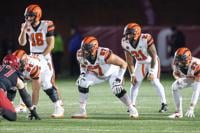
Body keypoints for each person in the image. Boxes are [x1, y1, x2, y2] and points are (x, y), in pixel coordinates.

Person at [71, 36, 138, 119]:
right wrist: (82, 74)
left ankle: (132, 108)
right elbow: (83, 64)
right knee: (82, 83)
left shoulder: (104, 54)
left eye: (87, 49)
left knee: (116, 89)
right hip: (96, 74)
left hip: (112, 72)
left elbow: (123, 64)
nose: (84, 52)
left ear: (95, 47)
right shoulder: (80, 54)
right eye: (83, 49)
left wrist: (119, 79)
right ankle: (82, 110)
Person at [17, 4, 63, 108]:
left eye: (31, 16)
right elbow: (22, 43)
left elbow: (51, 45)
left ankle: (59, 103)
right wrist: (23, 30)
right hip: (32, 56)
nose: (28, 18)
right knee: (22, 78)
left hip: (44, 56)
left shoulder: (47, 24)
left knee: (49, 82)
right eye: (27, 16)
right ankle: (22, 105)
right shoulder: (25, 25)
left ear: (38, 15)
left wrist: (42, 56)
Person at [121, 22, 168, 113]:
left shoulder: (146, 38)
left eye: (129, 34)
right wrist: (132, 74)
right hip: (140, 63)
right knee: (134, 83)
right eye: (126, 34)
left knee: (155, 81)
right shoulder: (125, 42)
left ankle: (164, 104)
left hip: (151, 61)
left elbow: (154, 56)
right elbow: (129, 61)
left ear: (136, 33)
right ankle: (132, 105)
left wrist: (151, 71)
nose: (127, 36)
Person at [13, 49, 64, 118]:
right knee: (19, 84)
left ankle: (59, 107)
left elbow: (36, 90)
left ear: (25, 61)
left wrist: (33, 109)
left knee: (47, 86)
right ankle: (22, 105)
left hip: (44, 69)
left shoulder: (34, 66)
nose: (17, 65)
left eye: (19, 63)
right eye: (16, 63)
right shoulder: (18, 65)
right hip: (31, 67)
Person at [0, 54, 40, 121]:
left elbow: (11, 92)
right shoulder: (17, 77)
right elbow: (25, 96)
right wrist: (33, 111)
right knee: (12, 116)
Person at [168, 47, 200, 119]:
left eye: (181, 60)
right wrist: (178, 79)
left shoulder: (196, 65)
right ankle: (179, 112)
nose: (178, 63)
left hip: (198, 77)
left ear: (188, 59)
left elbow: (196, 90)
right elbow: (175, 73)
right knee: (175, 86)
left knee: (197, 90)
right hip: (191, 77)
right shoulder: (177, 62)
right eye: (178, 60)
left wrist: (191, 107)